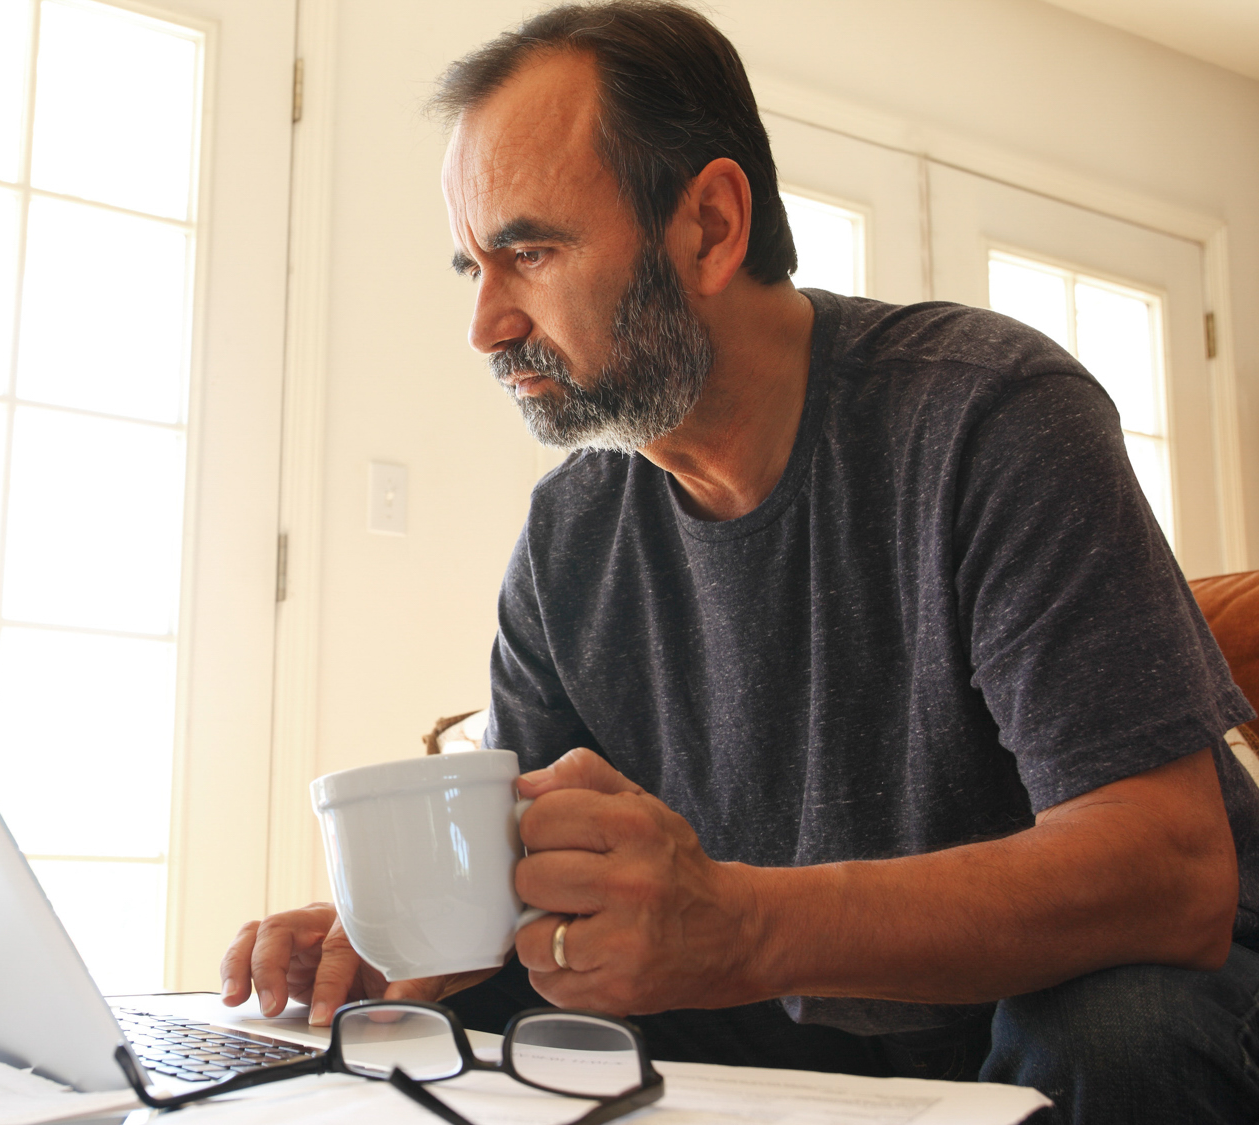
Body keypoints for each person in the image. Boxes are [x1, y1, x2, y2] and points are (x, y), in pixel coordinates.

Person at [218, 4, 1259, 1122]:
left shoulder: (986, 414)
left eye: (529, 250)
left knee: (1119, 1030)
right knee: (464, 1034)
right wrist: (412, 945)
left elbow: (1170, 878)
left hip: (1066, 1002)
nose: (484, 323)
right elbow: (536, 892)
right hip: (789, 1013)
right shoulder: (568, 539)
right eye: (471, 263)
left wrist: (740, 923)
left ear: (708, 225)